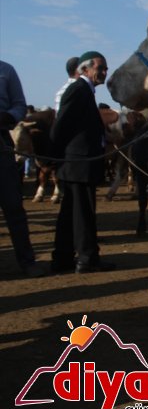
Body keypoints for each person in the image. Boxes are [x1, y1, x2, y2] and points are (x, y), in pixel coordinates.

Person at [50, 51, 114, 273]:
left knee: (70, 213)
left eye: (105, 68)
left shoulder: (84, 91)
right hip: (79, 163)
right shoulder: (78, 90)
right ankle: (87, 259)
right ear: (85, 69)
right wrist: (53, 156)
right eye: (100, 68)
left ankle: (62, 259)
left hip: (77, 163)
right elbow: (61, 125)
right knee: (83, 213)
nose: (104, 72)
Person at [0, 60, 46, 277]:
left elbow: (19, 105)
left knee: (13, 207)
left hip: (1, 143)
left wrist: (8, 116)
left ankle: (27, 261)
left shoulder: (6, 70)